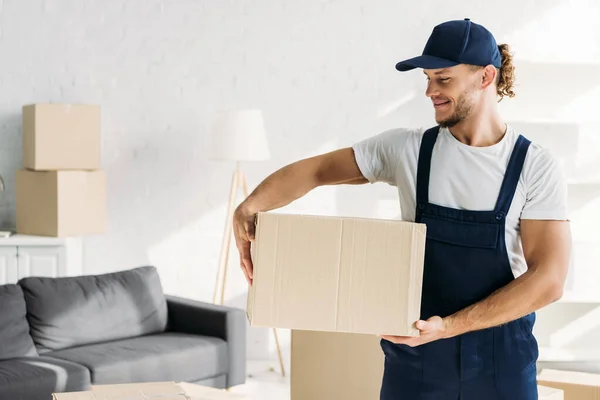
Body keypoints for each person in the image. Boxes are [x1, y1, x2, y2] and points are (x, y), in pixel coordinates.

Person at [233, 18, 572, 399]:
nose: (430, 91)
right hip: (416, 365)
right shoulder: (407, 150)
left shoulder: (533, 165)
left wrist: (449, 327)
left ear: (486, 76)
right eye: (427, 78)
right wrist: (247, 208)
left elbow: (549, 279)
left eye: (443, 78)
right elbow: (317, 170)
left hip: (502, 365)